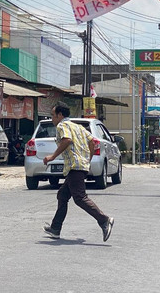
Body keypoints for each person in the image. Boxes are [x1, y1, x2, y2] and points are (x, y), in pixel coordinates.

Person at [42, 102, 114, 242]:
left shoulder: (62, 126)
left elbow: (67, 140)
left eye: (53, 115)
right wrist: (88, 160)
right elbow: (93, 142)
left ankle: (104, 220)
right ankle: (55, 229)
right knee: (62, 195)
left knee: (80, 198)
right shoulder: (78, 127)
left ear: (60, 115)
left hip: (75, 166)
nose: (52, 119)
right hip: (80, 166)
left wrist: (52, 156)